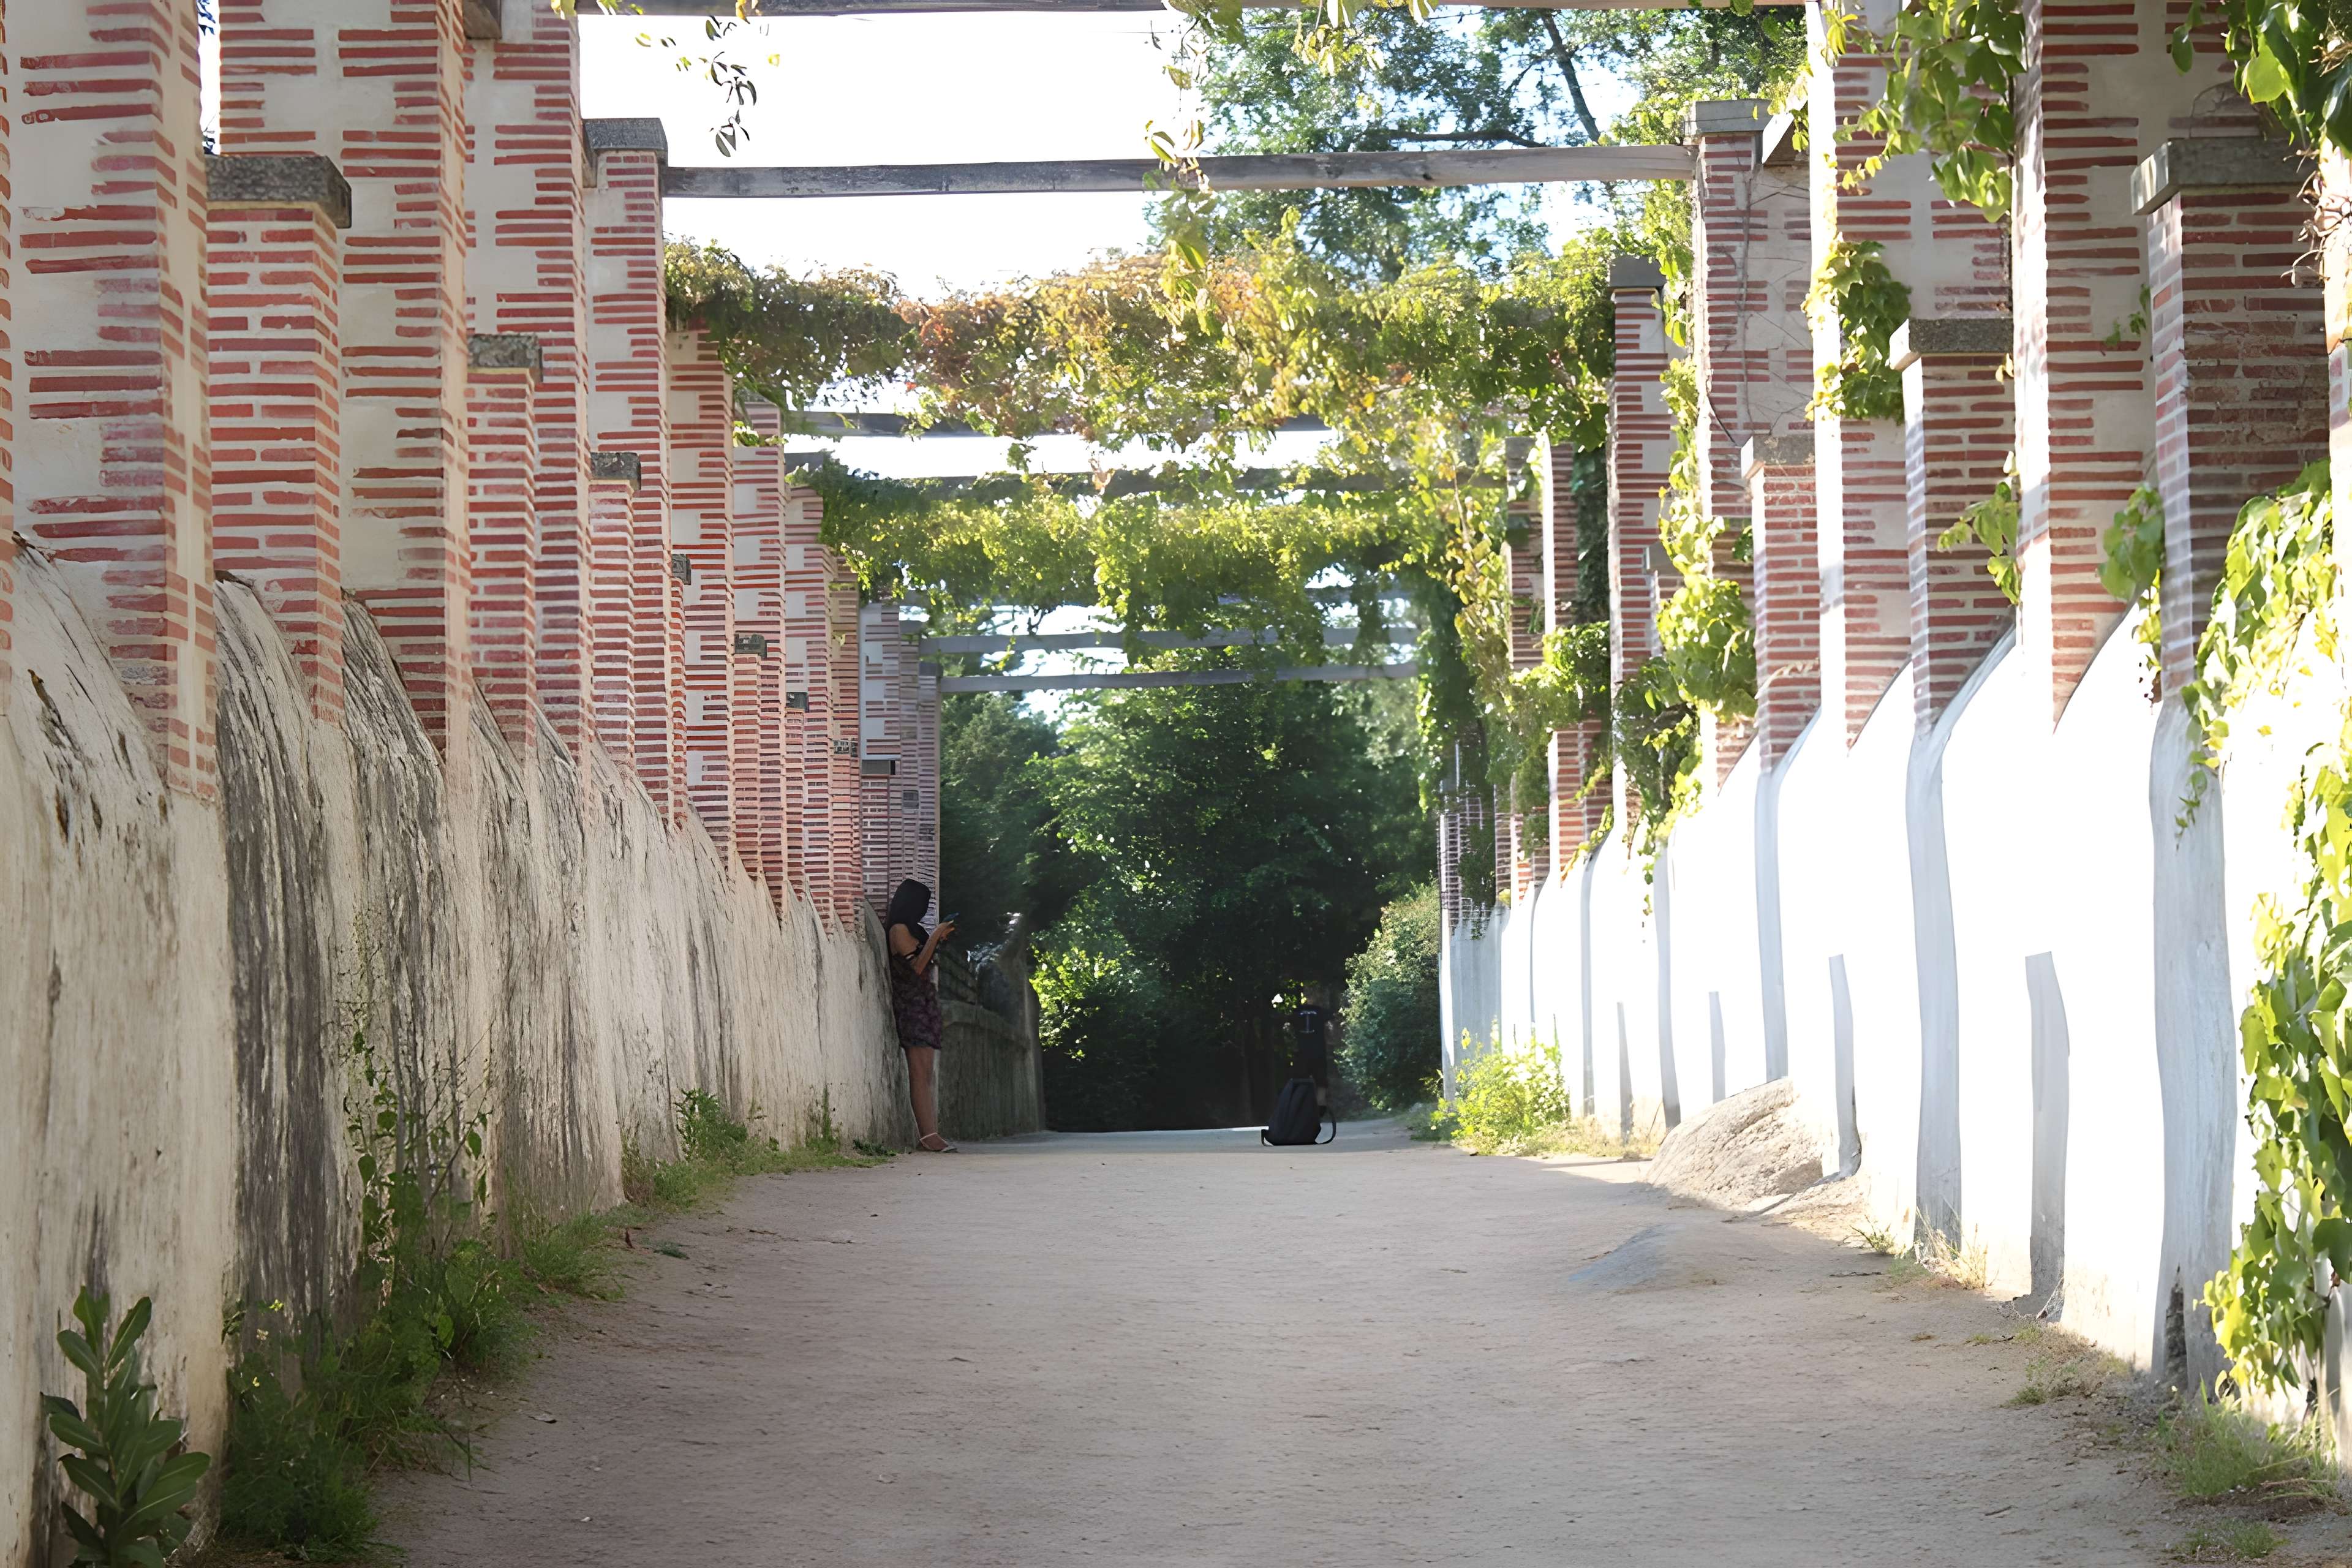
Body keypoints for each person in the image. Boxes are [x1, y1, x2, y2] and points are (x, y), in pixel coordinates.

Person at [884, 878, 957, 1152]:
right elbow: (915, 967)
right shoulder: (898, 930)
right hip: (910, 1004)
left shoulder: (912, 929)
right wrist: (937, 934)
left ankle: (931, 1133)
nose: (925, 909)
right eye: (923, 903)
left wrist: (939, 938)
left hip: (924, 1003)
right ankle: (928, 1136)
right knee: (918, 1071)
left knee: (927, 1073)